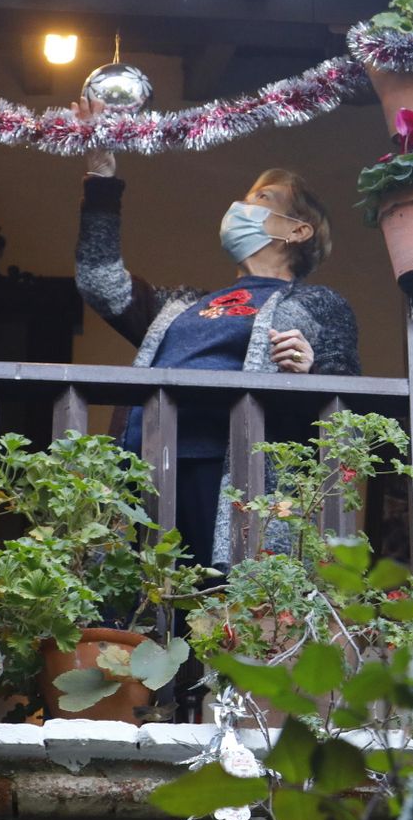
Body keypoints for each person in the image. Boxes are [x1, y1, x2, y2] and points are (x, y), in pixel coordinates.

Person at [71, 99, 360, 567]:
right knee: (140, 609)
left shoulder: (319, 303)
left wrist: (312, 372)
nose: (242, 206)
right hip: (145, 470)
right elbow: (100, 282)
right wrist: (102, 178)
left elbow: (344, 410)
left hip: (229, 473)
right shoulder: (181, 304)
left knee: (218, 604)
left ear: (299, 231)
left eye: (262, 198)